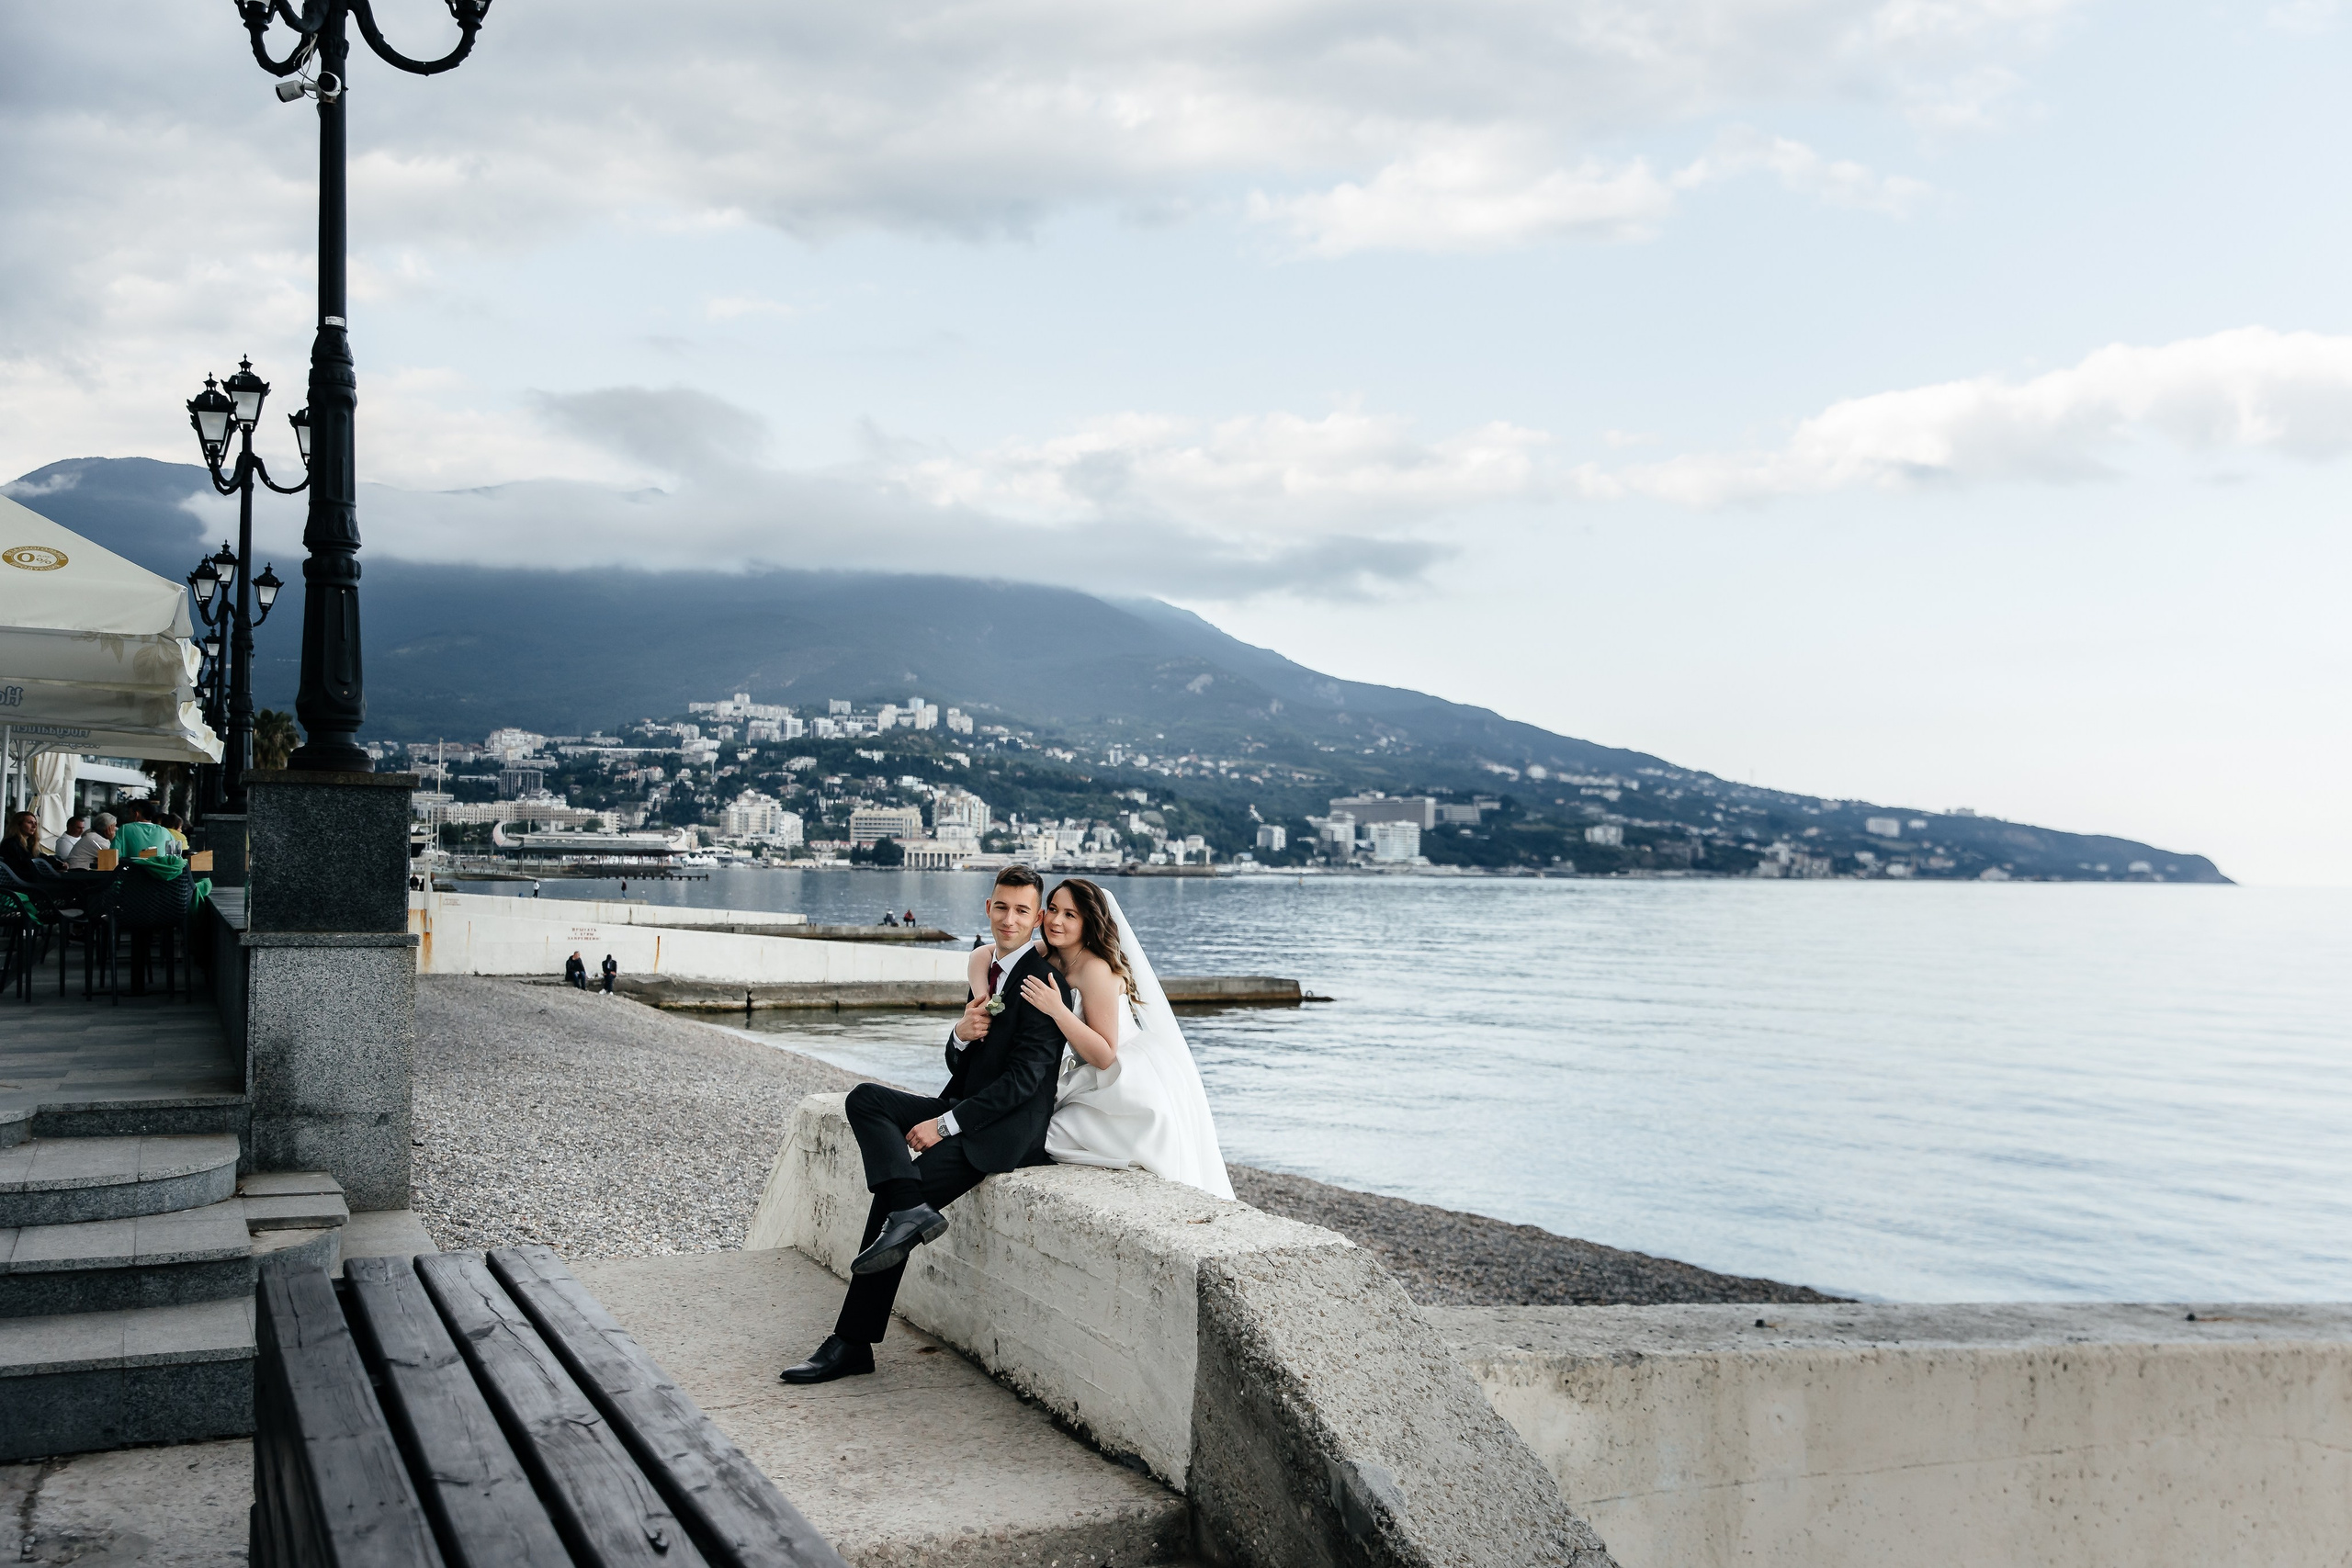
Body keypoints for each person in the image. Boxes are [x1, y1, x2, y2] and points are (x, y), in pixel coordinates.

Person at [780, 864, 1069, 1386]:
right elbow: (964, 1067)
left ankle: (852, 1343)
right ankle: (909, 1208)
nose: (1009, 918)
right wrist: (960, 1035)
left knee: (891, 1204)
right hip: (965, 1108)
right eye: (1001, 907)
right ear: (987, 908)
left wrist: (946, 1125)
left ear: (1038, 918)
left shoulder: (1043, 984)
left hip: (1002, 1133)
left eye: (1022, 910)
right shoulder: (991, 974)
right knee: (867, 1100)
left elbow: (1025, 1083)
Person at [1022, 879, 1234, 1199]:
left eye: (1070, 915)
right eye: (1052, 909)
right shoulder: (1051, 954)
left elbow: (1106, 1054)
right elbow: (985, 954)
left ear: (1088, 922)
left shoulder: (1096, 969)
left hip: (1122, 1072)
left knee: (1051, 1136)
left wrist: (1057, 1011)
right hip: (1089, 1068)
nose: (1055, 920)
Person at [2, 811, 56, 879]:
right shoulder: (11, 843)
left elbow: (42, 856)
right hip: (21, 884)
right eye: (30, 822)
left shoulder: (29, 844)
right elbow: (24, 867)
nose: (34, 826)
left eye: (35, 823)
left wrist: (58, 864)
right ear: (18, 825)